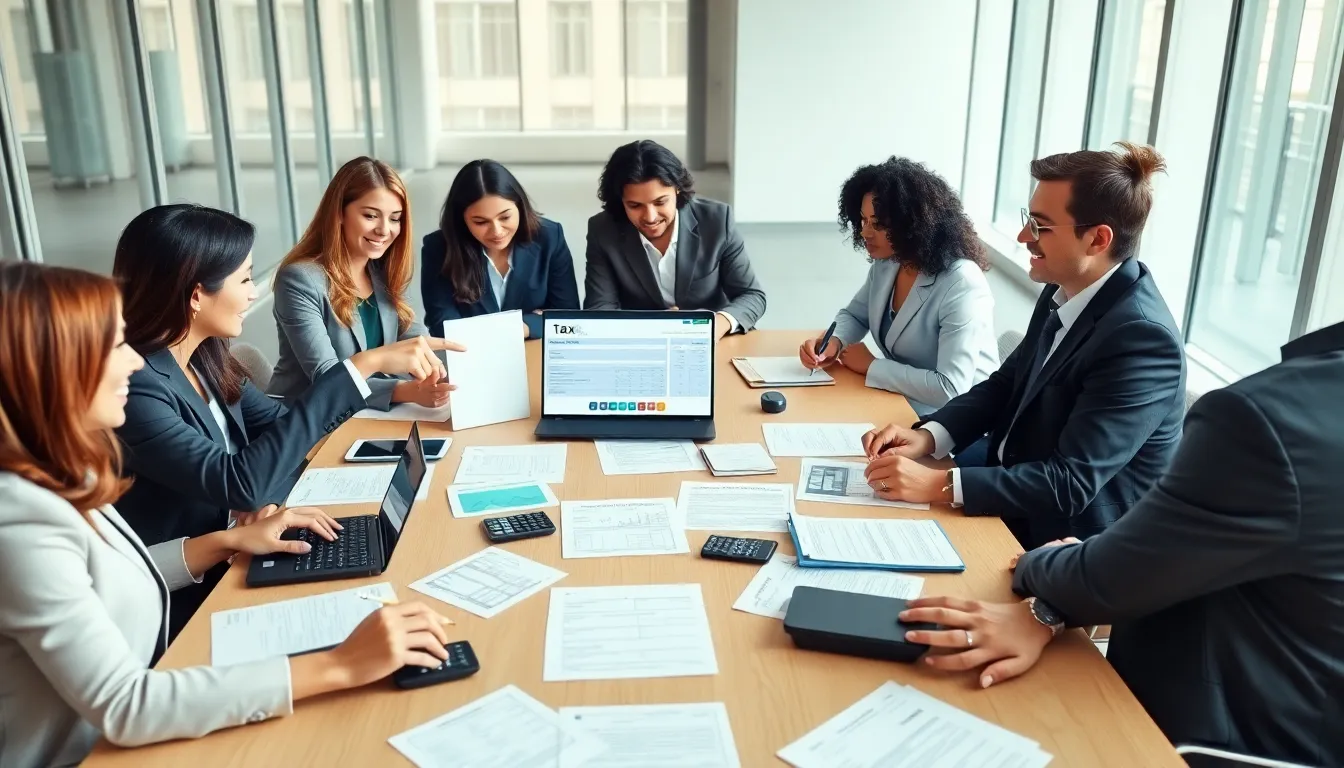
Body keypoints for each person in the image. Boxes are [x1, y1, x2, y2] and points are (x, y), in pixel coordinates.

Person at [0, 262, 454, 768]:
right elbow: (127, 706)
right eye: (113, 346)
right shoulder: (18, 523)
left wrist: (228, 542)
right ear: (45, 370)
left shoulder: (60, 474)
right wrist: (340, 665)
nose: (133, 361)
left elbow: (105, 578)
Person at [898, 319, 1344, 767]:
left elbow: (1120, 573)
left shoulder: (1269, 417)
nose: (1024, 243)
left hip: (1203, 739)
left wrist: (1042, 567)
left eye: (1039, 239)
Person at [112, 204, 456, 634]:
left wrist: (263, 502)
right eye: (244, 279)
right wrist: (360, 367)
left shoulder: (205, 357)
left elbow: (283, 427)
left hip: (244, 552)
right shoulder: (136, 386)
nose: (254, 293)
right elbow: (238, 480)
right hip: (183, 600)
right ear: (197, 294)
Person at [861, 142, 1185, 549]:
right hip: (1009, 487)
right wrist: (931, 436)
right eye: (1027, 220)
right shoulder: (1063, 289)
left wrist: (941, 485)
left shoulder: (1141, 339)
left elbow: (1070, 484)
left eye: (1040, 226)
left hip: (1068, 540)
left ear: (1098, 239)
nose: (1022, 236)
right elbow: (1005, 384)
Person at [798, 157, 998, 414]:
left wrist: (872, 366)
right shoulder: (889, 263)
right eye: (863, 220)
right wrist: (834, 343)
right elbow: (855, 316)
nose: (865, 233)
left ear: (913, 223)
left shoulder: (962, 283)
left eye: (878, 224)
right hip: (902, 402)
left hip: (956, 421)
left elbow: (950, 387)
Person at [269, 156, 455, 410]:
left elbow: (409, 332)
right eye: (370, 215)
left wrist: (440, 367)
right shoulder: (300, 279)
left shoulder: (380, 269)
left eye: (395, 218)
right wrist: (404, 391)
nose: (384, 230)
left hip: (365, 414)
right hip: (306, 419)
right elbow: (327, 377)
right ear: (339, 214)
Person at [583, 139, 766, 339]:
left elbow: (752, 296)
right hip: (640, 343)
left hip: (711, 343)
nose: (650, 217)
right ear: (620, 201)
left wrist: (715, 324)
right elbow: (599, 309)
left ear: (677, 189)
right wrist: (654, 327)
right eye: (635, 206)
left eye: (660, 202)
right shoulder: (602, 230)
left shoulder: (717, 221)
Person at [420, 159, 579, 340]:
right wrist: (532, 321)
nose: (497, 231)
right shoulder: (438, 247)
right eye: (481, 222)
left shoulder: (549, 237)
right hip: (471, 355)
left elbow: (568, 316)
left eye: (505, 217)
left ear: (519, 206)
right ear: (461, 220)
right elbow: (442, 325)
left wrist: (523, 328)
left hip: (535, 351)